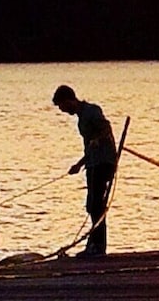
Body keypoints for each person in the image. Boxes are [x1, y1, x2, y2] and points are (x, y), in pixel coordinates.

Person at [53, 85, 119, 257]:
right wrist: (79, 164)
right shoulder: (81, 118)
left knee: (96, 204)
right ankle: (95, 244)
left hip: (103, 162)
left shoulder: (91, 111)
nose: (62, 110)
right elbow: (89, 148)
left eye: (62, 106)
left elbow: (106, 128)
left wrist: (97, 140)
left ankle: (97, 247)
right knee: (92, 205)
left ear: (69, 100)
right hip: (92, 163)